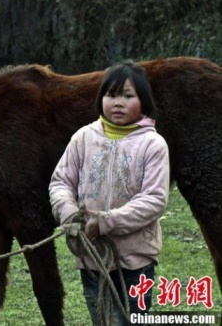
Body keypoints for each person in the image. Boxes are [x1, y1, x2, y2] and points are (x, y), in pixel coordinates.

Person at [49, 60, 170, 325]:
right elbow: (60, 182)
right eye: (111, 95)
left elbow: (155, 199)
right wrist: (68, 213)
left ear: (144, 101)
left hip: (135, 260)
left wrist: (107, 221)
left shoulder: (153, 144)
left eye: (128, 96)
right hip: (92, 258)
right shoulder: (83, 138)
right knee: (101, 319)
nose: (118, 103)